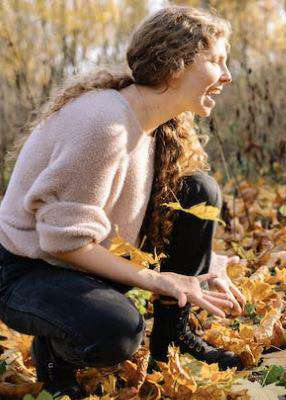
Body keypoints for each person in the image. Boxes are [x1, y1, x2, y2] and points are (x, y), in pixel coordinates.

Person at [0, 6, 246, 398]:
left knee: (198, 191)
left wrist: (206, 264)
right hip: (26, 270)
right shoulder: (105, 125)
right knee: (116, 330)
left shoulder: (155, 124)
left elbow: (131, 218)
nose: (227, 75)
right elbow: (60, 243)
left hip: (79, 258)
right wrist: (157, 278)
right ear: (176, 64)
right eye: (216, 61)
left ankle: (170, 344)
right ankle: (55, 364)